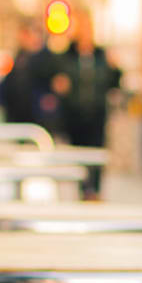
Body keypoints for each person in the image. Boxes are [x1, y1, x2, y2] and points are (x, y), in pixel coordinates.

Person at [52, 10, 121, 198]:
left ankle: (95, 192)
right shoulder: (67, 56)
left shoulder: (101, 56)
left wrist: (115, 68)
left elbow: (114, 84)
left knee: (96, 156)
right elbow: (57, 82)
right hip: (75, 116)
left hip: (96, 114)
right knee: (79, 157)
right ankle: (84, 191)